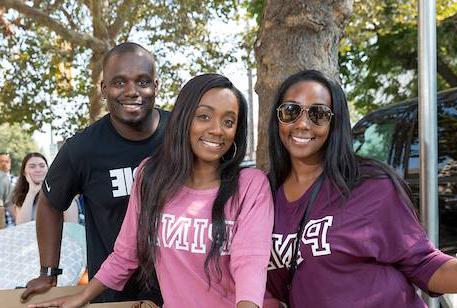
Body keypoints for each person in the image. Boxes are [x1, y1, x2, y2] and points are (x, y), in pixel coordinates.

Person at [29, 74, 274, 308]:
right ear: (184, 119)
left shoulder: (251, 185)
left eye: (229, 121)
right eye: (204, 117)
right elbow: (126, 253)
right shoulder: (151, 177)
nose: (217, 129)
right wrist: (82, 297)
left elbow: (250, 262)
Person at [266, 69, 457, 307]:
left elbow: (424, 263)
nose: (302, 123)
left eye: (318, 114)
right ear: (277, 118)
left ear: (335, 123)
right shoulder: (262, 196)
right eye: (291, 111)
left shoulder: (372, 185)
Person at [21, 42, 170, 304]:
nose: (132, 91)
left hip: (180, 287)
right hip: (112, 292)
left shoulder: (182, 133)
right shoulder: (82, 148)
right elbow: (49, 202)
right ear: (103, 89)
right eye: (119, 82)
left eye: (143, 81)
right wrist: (48, 272)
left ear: (156, 86)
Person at [11, 152, 78, 224]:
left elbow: (71, 225)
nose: (38, 170)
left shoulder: (62, 192)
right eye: (32, 166)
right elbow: (21, 225)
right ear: (24, 173)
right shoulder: (20, 195)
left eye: (42, 166)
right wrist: (32, 192)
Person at [0, 152, 15, 226]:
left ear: (10, 164)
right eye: (1, 161)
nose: (4, 164)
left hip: (14, 226)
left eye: (6, 161)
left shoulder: (17, 182)